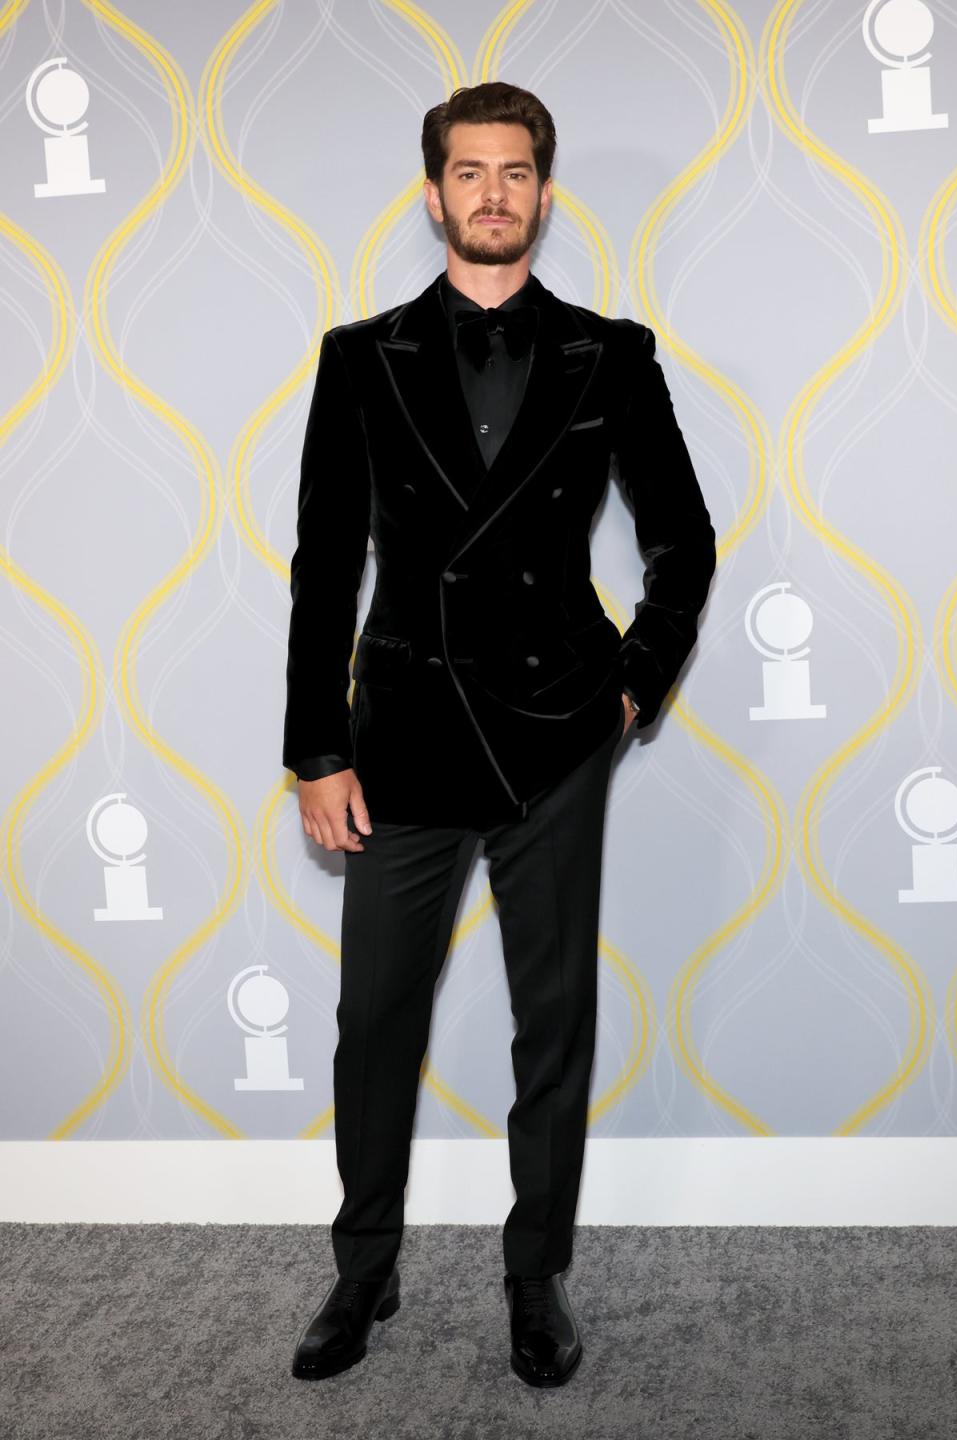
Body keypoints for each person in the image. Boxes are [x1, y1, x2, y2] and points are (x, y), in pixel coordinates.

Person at [283, 80, 717, 1387]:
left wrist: (632, 687)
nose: (491, 194)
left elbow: (682, 540)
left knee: (553, 1018)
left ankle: (537, 1281)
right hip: (403, 731)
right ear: (434, 194)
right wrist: (315, 750)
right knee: (376, 1022)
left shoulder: (610, 354)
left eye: (515, 172)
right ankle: (364, 1273)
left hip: (553, 728)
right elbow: (323, 570)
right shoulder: (360, 357)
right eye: (468, 172)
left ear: (543, 189)